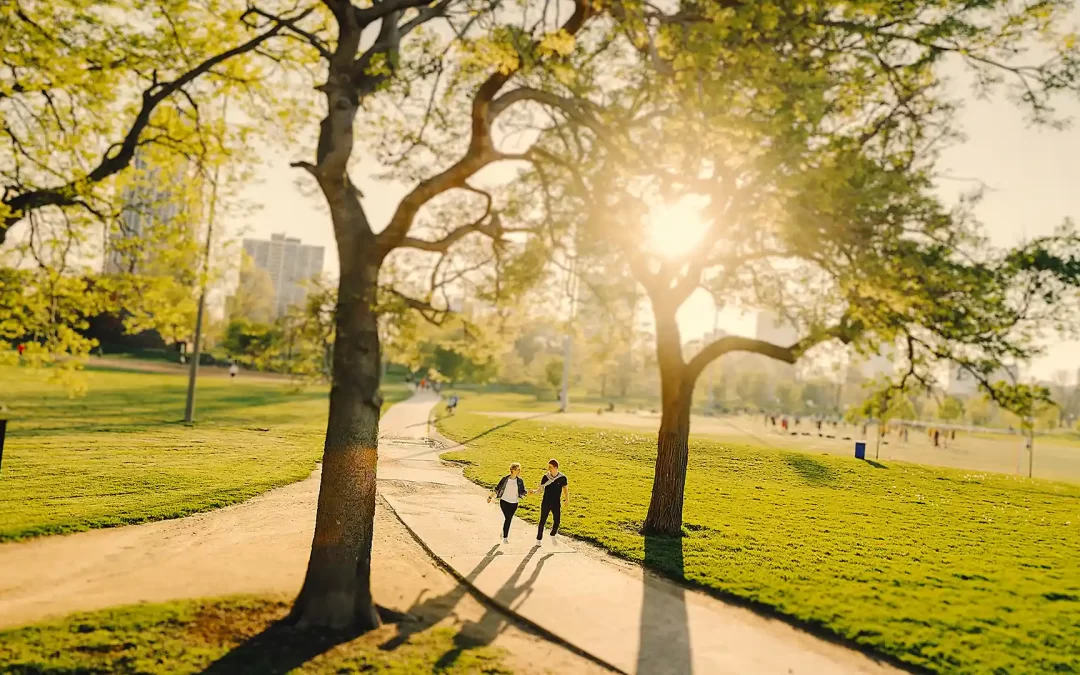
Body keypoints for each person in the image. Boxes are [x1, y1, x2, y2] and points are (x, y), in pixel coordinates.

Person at [531, 459, 569, 545]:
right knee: (542, 521)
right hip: (546, 502)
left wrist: (567, 499)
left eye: (550, 467)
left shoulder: (562, 478)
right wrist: (533, 492)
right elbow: (540, 490)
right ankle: (539, 539)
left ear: (556, 467)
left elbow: (565, 489)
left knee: (557, 521)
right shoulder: (545, 477)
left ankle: (552, 534)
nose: (549, 469)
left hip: (556, 503)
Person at [488, 462, 527, 544]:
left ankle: (504, 531)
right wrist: (490, 497)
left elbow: (523, 491)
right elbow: (497, 489)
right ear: (512, 470)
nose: (519, 471)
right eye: (517, 469)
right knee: (508, 519)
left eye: (519, 470)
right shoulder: (505, 479)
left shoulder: (520, 481)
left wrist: (529, 492)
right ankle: (505, 537)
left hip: (514, 503)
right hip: (504, 502)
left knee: (508, 519)